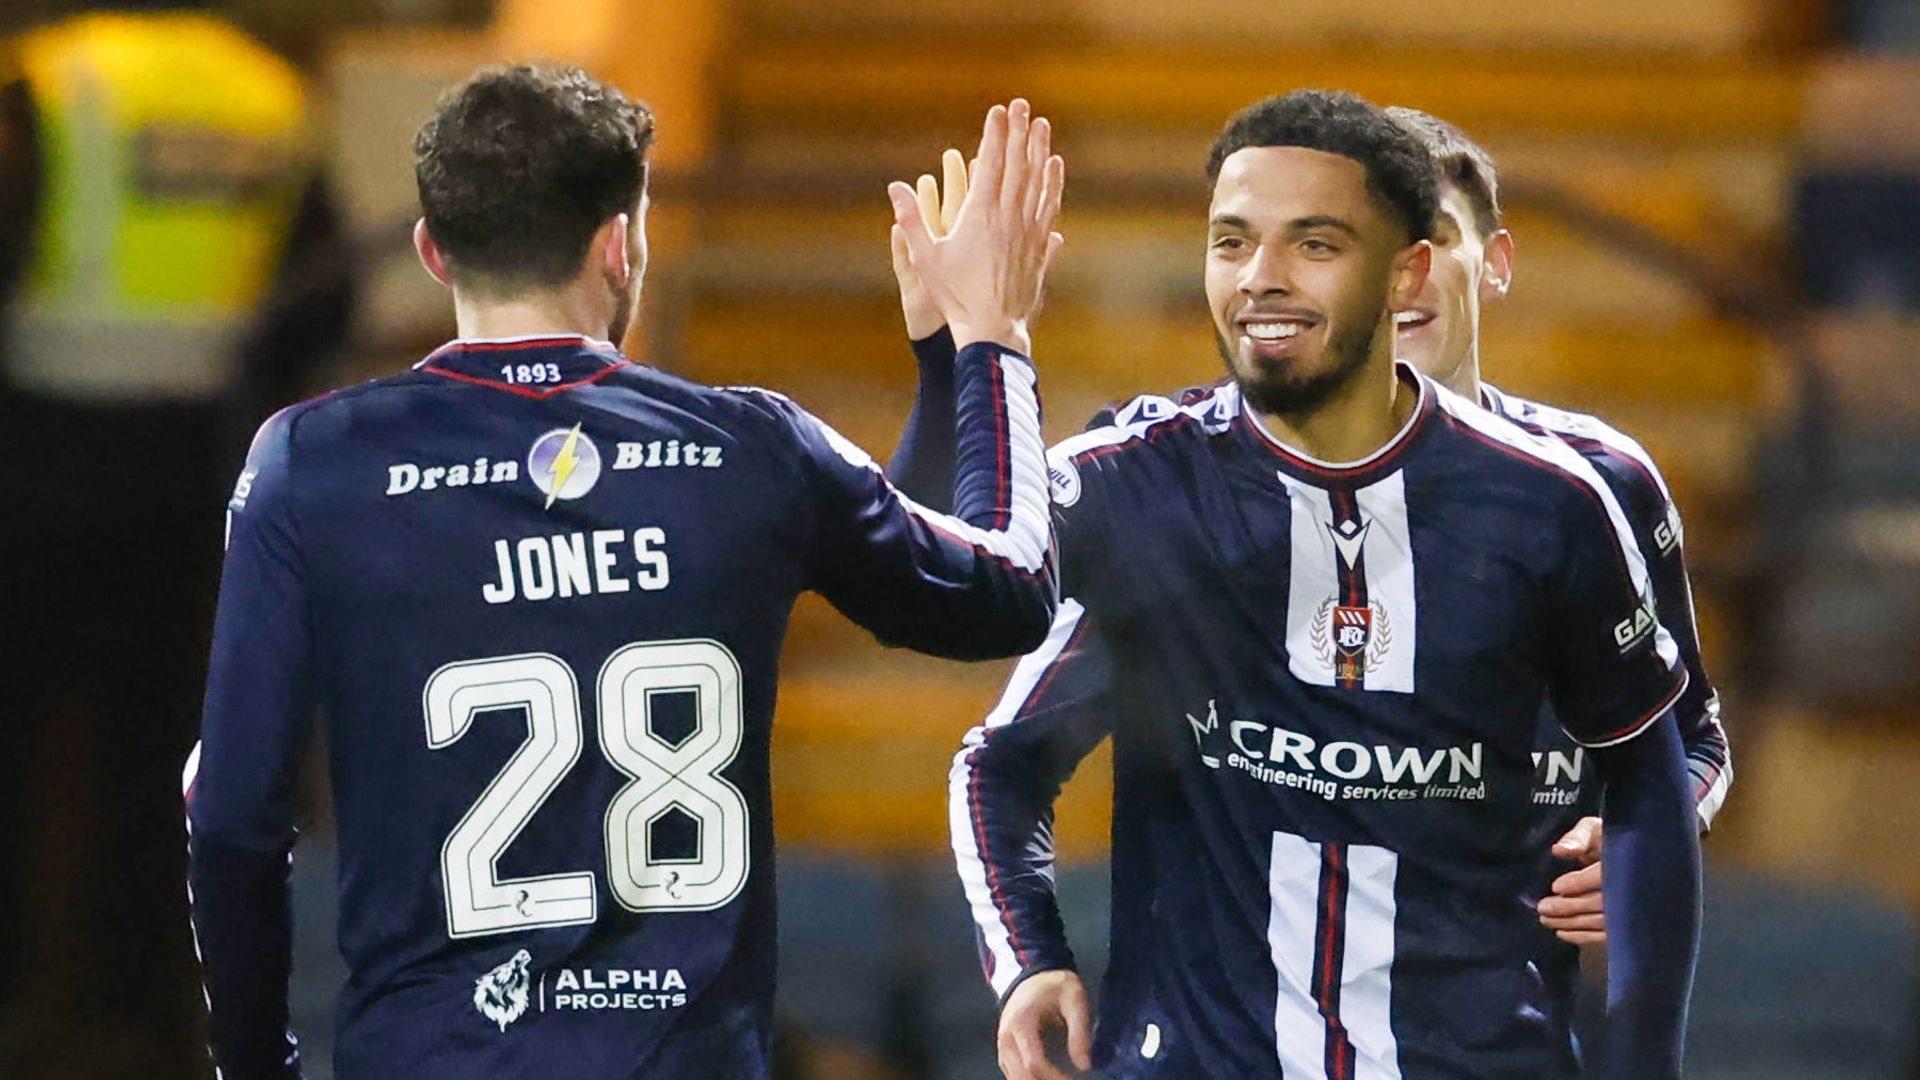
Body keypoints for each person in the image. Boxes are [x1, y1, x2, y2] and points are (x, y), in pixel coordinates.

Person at [184, 66, 1063, 1079]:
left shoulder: (313, 463)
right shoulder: (751, 450)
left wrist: (254, 1065)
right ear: (620, 241)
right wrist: (983, 342)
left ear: (432, 250)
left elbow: (232, 816)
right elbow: (1000, 593)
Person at [907, 90, 1699, 1079]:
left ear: (1406, 270)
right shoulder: (1143, 480)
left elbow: (1658, 770)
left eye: (1315, 244)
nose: (1262, 277)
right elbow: (949, 583)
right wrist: (969, 347)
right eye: (1231, 242)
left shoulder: (1557, 501)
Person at [0, 7, 349, 1075]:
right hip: (196, 464)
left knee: (18, 737)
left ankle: (19, 997)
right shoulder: (268, 96)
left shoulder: (54, 79)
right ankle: (143, 1007)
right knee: (165, 750)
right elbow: (325, 294)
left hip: (36, 449)